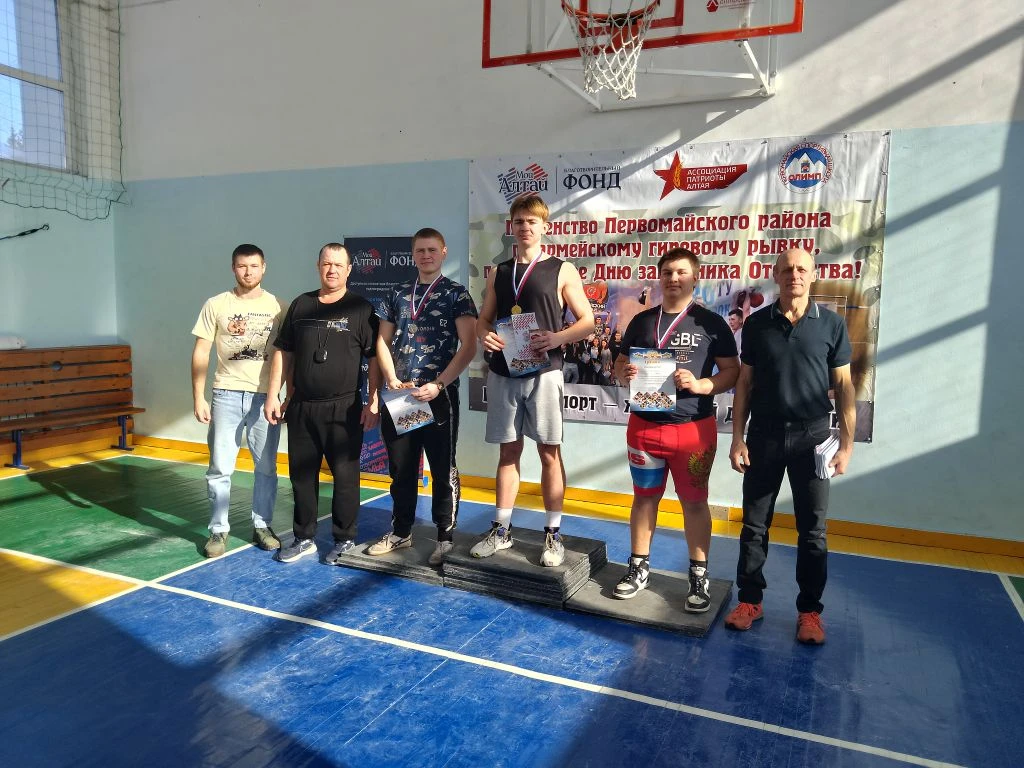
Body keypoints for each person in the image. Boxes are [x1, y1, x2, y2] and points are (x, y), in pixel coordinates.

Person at [725, 247, 855, 644]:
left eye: (801, 269)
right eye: (786, 269)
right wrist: (737, 437)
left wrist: (846, 445)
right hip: (763, 436)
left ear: (812, 275)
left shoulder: (831, 325)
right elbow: (744, 383)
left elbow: (845, 386)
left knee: (813, 532)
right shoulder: (757, 324)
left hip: (813, 439)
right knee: (754, 525)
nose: (793, 275)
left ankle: (810, 612)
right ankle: (750, 601)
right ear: (776, 275)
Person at [612, 248, 739, 611]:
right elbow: (619, 362)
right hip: (644, 427)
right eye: (667, 272)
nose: (673, 278)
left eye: (681, 272)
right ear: (660, 277)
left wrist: (702, 385)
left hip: (692, 430)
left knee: (694, 503)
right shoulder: (641, 321)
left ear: (695, 278)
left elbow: (732, 372)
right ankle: (638, 568)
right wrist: (623, 373)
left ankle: (698, 576)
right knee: (644, 498)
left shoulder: (711, 324)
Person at [473, 193, 595, 566]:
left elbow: (587, 322)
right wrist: (485, 335)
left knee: (548, 452)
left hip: (544, 372)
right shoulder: (498, 272)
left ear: (544, 226)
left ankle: (553, 534)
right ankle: (501, 529)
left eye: (532, 221)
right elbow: (484, 319)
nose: (525, 227)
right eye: (519, 221)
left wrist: (557, 338)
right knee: (508, 452)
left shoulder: (562, 269)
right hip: (504, 372)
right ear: (511, 226)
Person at [265, 243, 380, 564]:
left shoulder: (361, 309)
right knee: (301, 476)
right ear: (318, 266)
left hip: (344, 408)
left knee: (345, 476)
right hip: (302, 406)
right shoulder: (301, 304)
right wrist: (275, 393)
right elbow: (284, 351)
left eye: (339, 265)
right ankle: (304, 538)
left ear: (349, 270)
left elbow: (374, 358)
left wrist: (372, 400)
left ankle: (344, 539)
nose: (332, 270)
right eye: (327, 264)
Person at [369, 228, 478, 565]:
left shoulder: (457, 294)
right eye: (420, 250)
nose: (426, 255)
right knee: (401, 469)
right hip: (402, 397)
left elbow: (469, 346)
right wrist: (391, 377)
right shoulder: (397, 293)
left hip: (437, 395)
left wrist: (440, 384)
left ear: (443, 252)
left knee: (443, 468)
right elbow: (381, 342)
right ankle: (401, 531)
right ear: (413, 254)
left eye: (432, 250)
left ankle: (445, 536)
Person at [191, 244, 285, 558]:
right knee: (219, 468)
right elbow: (201, 352)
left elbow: (286, 356)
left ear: (264, 268)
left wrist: (281, 395)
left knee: (266, 467)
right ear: (233, 268)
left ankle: (262, 525)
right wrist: (198, 396)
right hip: (225, 395)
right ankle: (218, 530)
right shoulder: (216, 304)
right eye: (242, 266)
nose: (248, 272)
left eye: (254, 266)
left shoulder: (278, 307)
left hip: (264, 399)